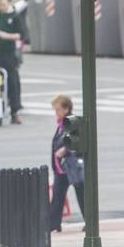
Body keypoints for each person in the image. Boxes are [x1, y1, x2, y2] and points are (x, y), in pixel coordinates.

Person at [49, 95, 84, 231]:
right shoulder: (61, 123)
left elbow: (78, 141)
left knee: (81, 195)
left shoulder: (72, 122)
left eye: (58, 110)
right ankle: (53, 224)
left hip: (71, 165)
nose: (56, 113)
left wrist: (65, 150)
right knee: (57, 195)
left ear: (66, 108)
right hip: (61, 167)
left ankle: (90, 221)